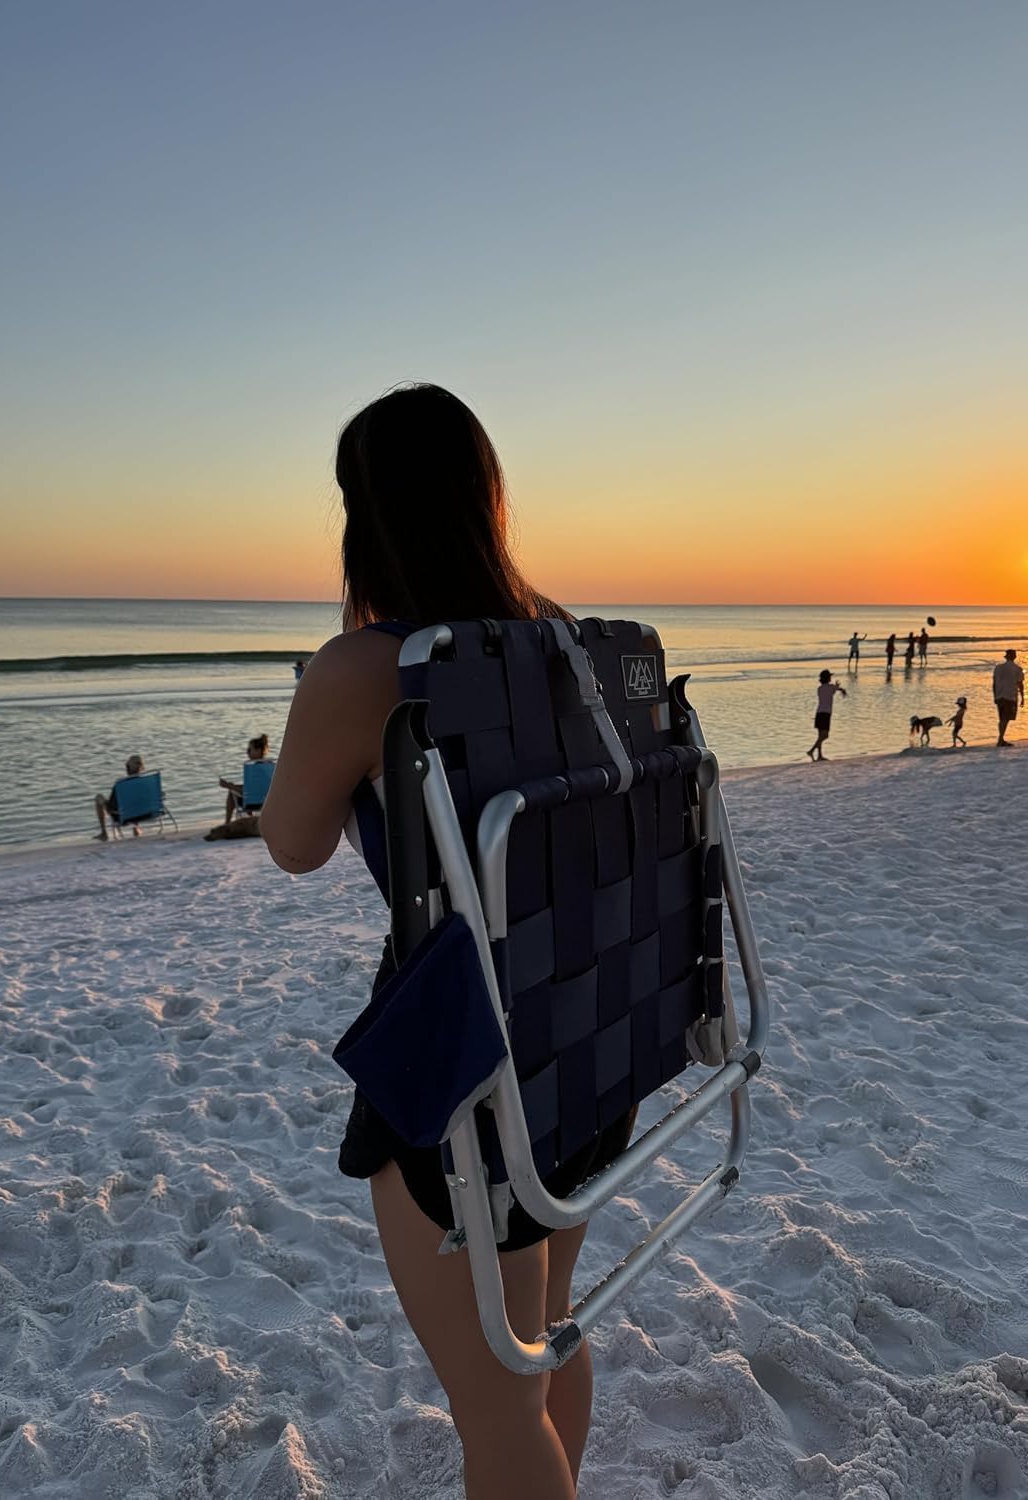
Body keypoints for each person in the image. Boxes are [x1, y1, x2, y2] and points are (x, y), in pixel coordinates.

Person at [259, 384, 628, 1500]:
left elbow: (293, 843)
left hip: (463, 1065)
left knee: (493, 1400)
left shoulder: (368, 669)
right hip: (584, 1035)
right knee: (545, 1329)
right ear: (485, 498)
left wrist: (332, 696)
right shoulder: (558, 633)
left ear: (362, 517)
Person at [218, 734, 271, 823]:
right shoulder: (269, 766)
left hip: (254, 804)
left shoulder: (252, 769)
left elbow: (247, 792)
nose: (247, 752)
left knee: (231, 793)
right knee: (234, 788)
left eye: (250, 750)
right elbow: (255, 788)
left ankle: (227, 823)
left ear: (258, 751)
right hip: (267, 802)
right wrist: (233, 785)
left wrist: (228, 785)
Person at [94, 754, 144, 840]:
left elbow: (112, 806)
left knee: (98, 797)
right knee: (136, 802)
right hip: (144, 813)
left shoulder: (122, 785)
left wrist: (107, 805)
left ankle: (104, 833)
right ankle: (136, 828)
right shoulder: (147, 784)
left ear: (128, 768)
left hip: (123, 816)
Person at [806, 669, 846, 761]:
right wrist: (840, 688)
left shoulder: (819, 689)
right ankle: (811, 750)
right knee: (825, 736)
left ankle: (819, 755)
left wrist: (837, 687)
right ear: (828, 678)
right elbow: (837, 689)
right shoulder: (831, 687)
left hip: (819, 713)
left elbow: (833, 690)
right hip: (826, 714)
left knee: (820, 736)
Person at [992, 649, 1024, 746]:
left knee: (1002, 718)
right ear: (1014, 657)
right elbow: (1020, 684)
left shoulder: (998, 668)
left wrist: (995, 695)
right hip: (1010, 696)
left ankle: (1001, 738)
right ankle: (1000, 739)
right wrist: (1023, 697)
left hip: (999, 695)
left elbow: (994, 683)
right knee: (1005, 718)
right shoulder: (1017, 669)